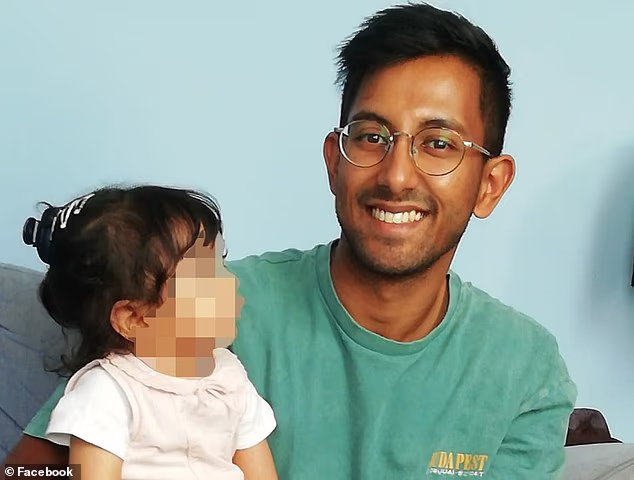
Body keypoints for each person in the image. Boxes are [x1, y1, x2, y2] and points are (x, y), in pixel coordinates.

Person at [4, 3, 577, 478]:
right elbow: (31, 472)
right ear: (335, 161)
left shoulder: (523, 370)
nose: (397, 175)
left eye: (438, 144)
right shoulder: (199, 305)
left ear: (490, 184)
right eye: (371, 136)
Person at [16, 186, 278, 479]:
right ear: (134, 318)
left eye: (222, 264)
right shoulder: (108, 393)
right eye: (205, 277)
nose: (231, 282)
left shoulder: (230, 378)